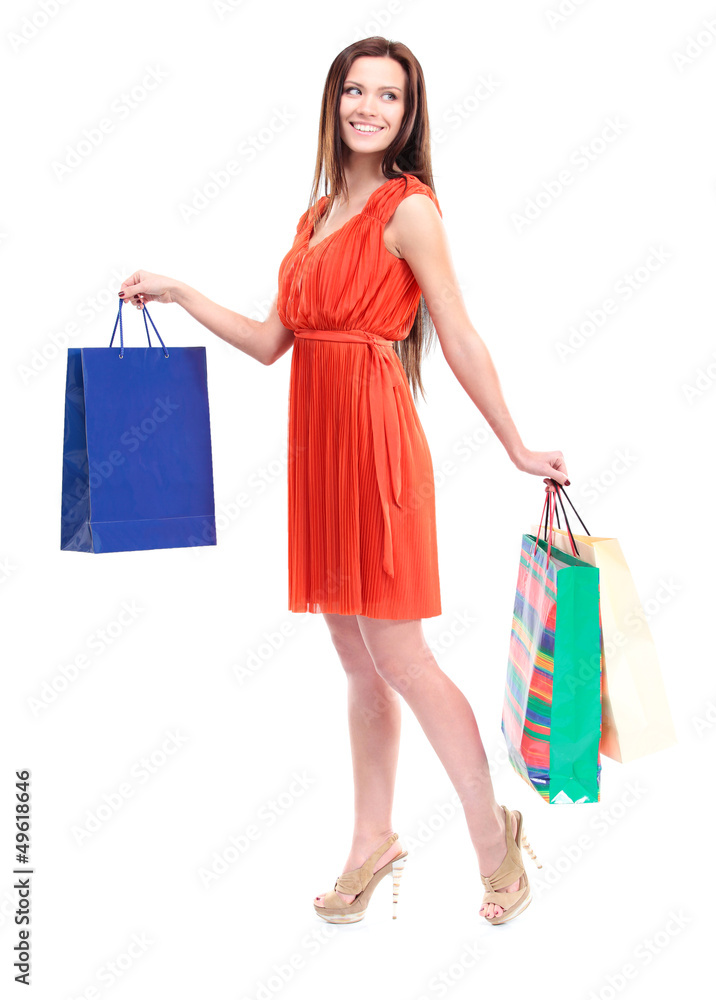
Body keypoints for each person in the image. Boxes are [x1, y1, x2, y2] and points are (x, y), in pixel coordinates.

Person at [119, 36, 569, 926]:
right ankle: (373, 839)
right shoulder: (316, 216)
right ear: (334, 102)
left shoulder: (411, 212)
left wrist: (514, 442)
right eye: (355, 90)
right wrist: (175, 289)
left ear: (408, 117)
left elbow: (461, 334)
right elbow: (265, 340)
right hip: (317, 455)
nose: (368, 106)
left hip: (377, 451)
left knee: (403, 657)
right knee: (357, 664)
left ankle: (493, 842)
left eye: (388, 97)